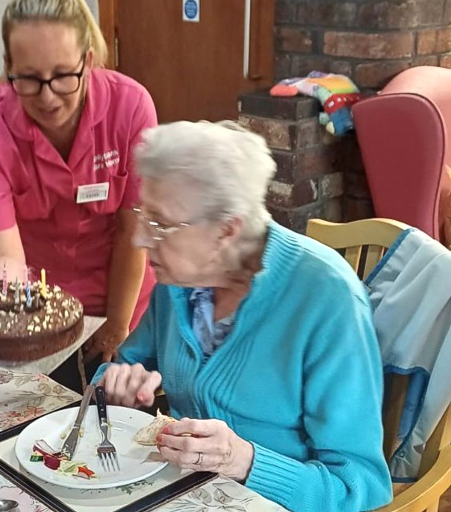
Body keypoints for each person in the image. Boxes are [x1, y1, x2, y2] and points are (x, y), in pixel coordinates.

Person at [94, 121, 393, 512]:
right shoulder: (181, 280)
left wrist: (243, 460)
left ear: (226, 231)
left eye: (161, 225)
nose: (140, 240)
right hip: (182, 493)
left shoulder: (327, 300)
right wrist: (116, 385)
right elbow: (121, 368)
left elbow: (361, 485)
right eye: (143, 218)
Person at [0, 0, 156, 390]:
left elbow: (133, 229)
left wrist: (117, 326)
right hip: (44, 315)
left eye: (63, 76)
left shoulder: (131, 107)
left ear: (87, 61)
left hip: (129, 301)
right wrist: (12, 328)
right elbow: (2, 252)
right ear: (9, 65)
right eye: (29, 79)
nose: (48, 98)